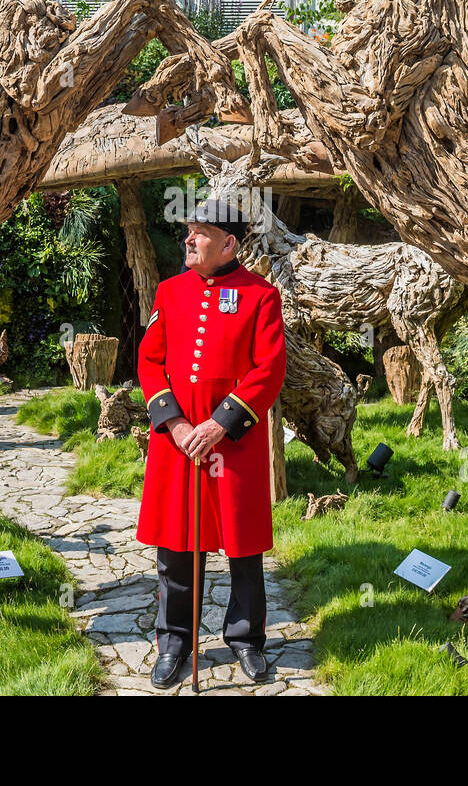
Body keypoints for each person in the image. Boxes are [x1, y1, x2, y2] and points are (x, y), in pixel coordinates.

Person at [135, 194, 287, 688]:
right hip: (177, 444)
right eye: (189, 231)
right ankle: (174, 641)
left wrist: (220, 424)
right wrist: (177, 426)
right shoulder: (169, 291)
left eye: (199, 232)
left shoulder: (261, 295)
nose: (188, 239)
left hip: (234, 443)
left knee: (243, 549)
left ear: (229, 243)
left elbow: (269, 370)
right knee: (176, 546)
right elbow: (149, 362)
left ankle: (246, 640)